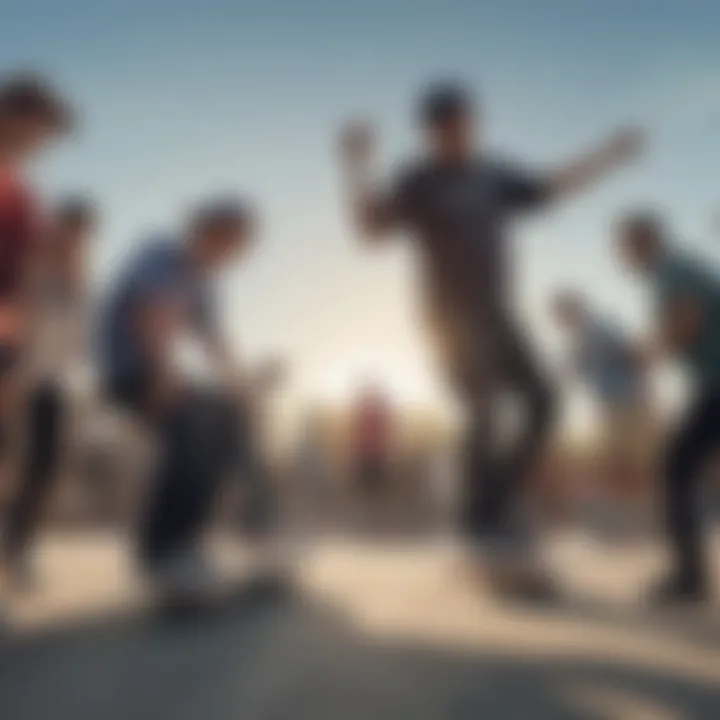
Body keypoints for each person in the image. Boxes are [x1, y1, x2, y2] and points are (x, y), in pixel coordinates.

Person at [338, 81, 643, 594]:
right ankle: (480, 520)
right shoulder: (419, 180)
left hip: (501, 316)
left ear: (473, 124)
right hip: (448, 319)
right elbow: (370, 232)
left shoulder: (493, 175)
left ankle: (498, 503)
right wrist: (357, 165)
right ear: (430, 133)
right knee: (484, 408)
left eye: (462, 124)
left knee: (543, 402)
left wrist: (608, 156)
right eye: (444, 128)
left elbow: (553, 186)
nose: (455, 135)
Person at [97, 197, 258, 600]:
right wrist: (163, 375)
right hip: (131, 371)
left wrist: (241, 387)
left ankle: (191, 542)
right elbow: (150, 314)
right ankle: (161, 552)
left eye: (239, 251)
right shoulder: (161, 254)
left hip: (164, 370)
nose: (231, 258)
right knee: (194, 423)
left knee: (227, 419)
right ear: (208, 234)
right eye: (231, 246)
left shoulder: (203, 281)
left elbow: (215, 340)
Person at [616, 212, 720, 603]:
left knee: (676, 468)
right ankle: (689, 577)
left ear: (643, 244)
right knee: (682, 467)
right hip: (710, 384)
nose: (623, 259)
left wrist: (647, 354)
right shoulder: (679, 269)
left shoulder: (672, 270)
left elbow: (686, 322)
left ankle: (689, 579)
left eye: (624, 249)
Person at [1, 197, 97, 588]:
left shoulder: (79, 279)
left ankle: (18, 545)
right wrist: (16, 374)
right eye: (66, 232)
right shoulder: (30, 266)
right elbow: (20, 316)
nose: (71, 243)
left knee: (45, 460)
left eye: (79, 237)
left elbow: (77, 341)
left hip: (46, 377)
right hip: (11, 363)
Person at [0, 74, 74, 467]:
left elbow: (28, 275)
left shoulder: (24, 196)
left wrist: (20, 354)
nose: (42, 143)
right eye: (40, 130)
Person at [551, 290, 654, 538]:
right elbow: (573, 369)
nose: (560, 321)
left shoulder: (599, 328)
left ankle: (636, 515)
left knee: (625, 459)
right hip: (613, 404)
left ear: (575, 309)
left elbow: (633, 353)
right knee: (618, 459)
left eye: (562, 314)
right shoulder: (581, 336)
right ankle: (631, 514)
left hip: (627, 401)